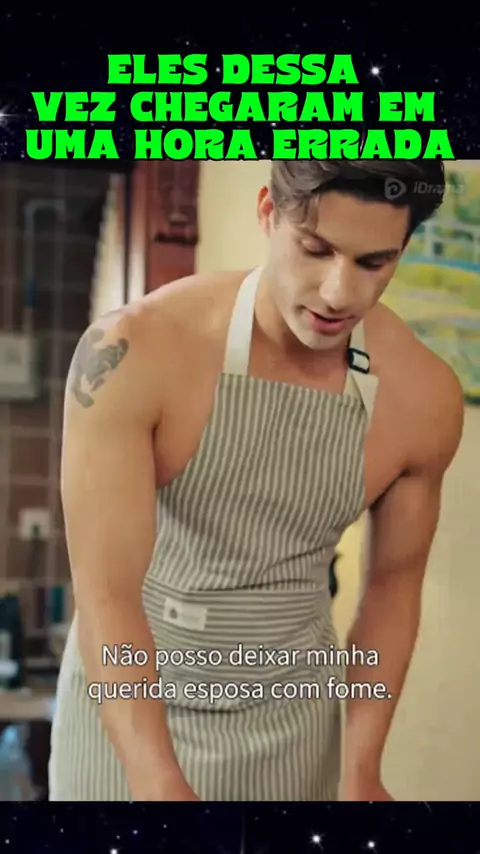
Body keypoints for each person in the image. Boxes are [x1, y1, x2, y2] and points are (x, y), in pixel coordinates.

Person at [49, 159, 464, 802]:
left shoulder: (424, 396)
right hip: (125, 708)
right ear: (269, 213)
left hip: (293, 717)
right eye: (315, 249)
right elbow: (107, 595)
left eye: (373, 262)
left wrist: (360, 767)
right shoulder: (135, 351)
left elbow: (392, 590)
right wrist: (154, 780)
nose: (337, 293)